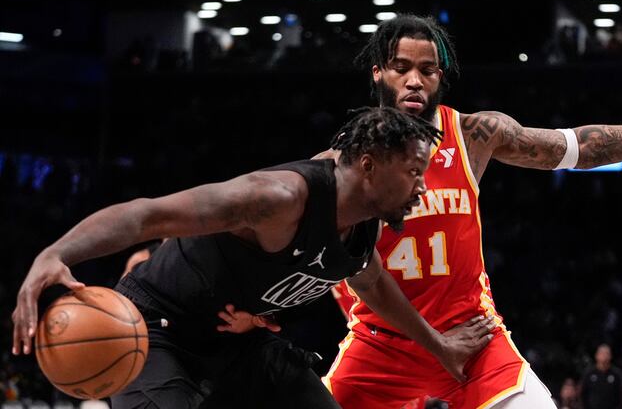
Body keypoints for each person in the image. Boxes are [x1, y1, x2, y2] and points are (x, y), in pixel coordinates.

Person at [316, 14, 622, 408]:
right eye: (402, 68)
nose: (415, 80)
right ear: (378, 74)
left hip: (473, 337)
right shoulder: (340, 167)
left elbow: (580, 147)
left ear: (440, 77)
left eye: (427, 70)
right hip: (382, 346)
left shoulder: (474, 134)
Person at [11, 107, 495, 408]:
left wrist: (439, 345)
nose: (422, 186)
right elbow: (146, 217)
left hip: (236, 345)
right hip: (156, 332)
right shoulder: (277, 199)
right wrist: (54, 255)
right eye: (414, 170)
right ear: (368, 166)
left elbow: (375, 287)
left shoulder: (362, 229)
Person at [580, 344, 622, 409]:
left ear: (610, 356)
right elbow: (583, 394)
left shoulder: (616, 374)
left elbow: (620, 395)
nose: (604, 356)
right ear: (596, 356)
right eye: (602, 353)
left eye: (607, 353)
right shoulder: (589, 373)